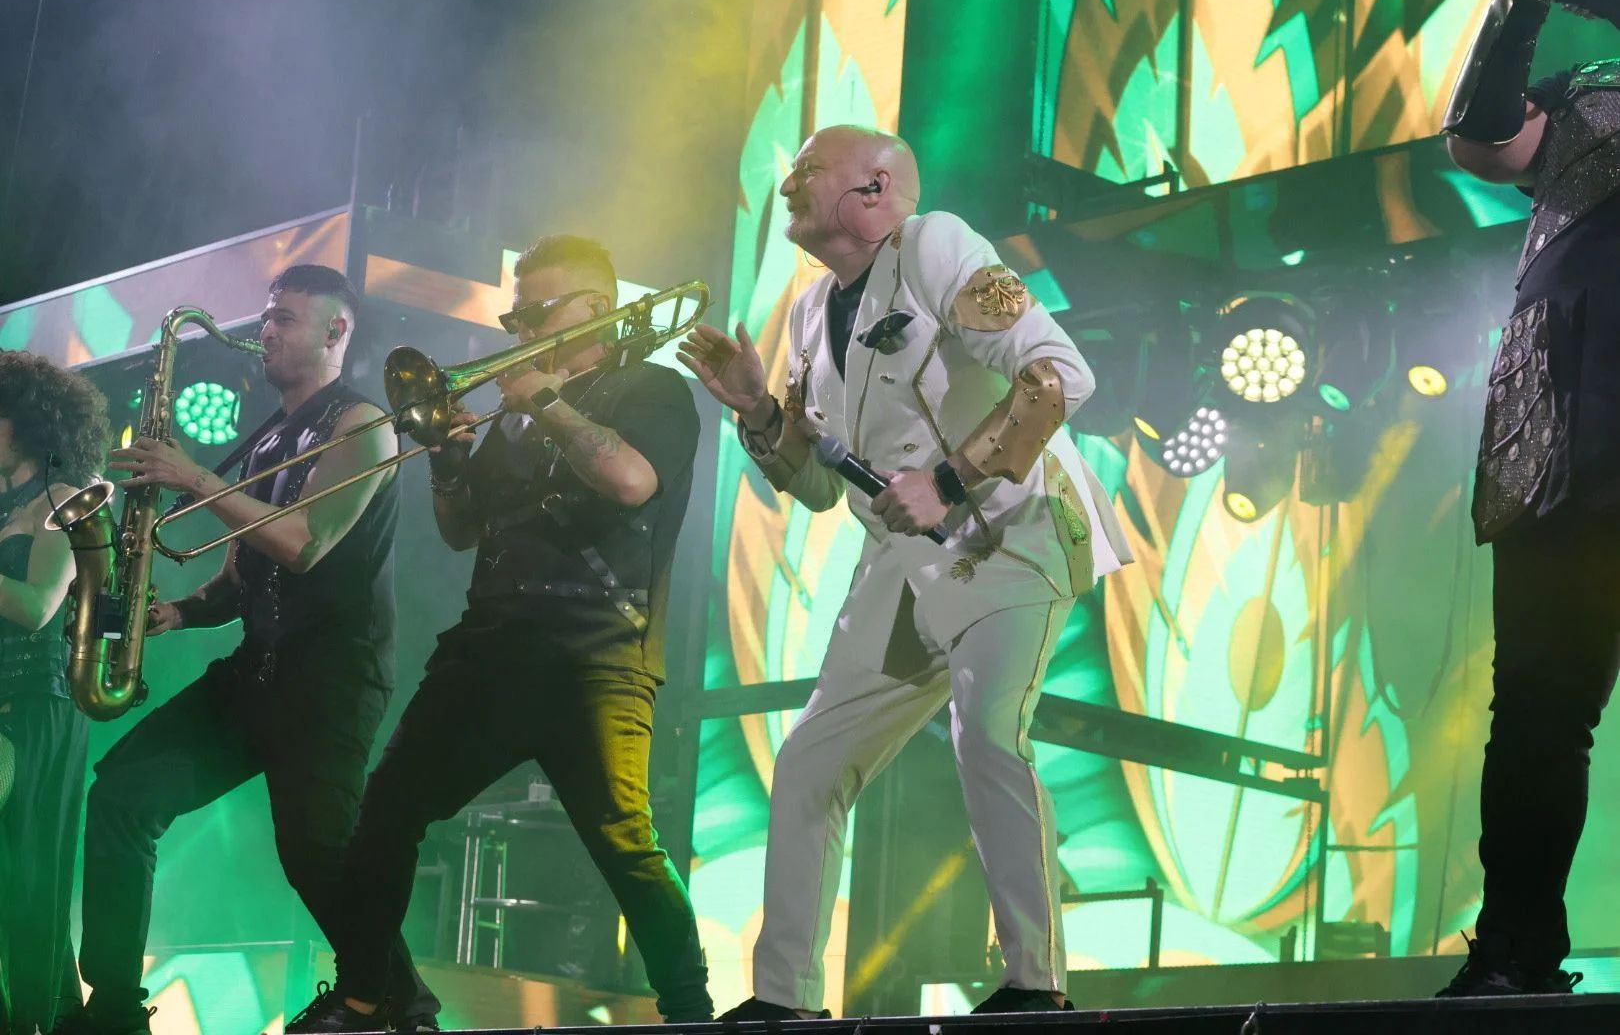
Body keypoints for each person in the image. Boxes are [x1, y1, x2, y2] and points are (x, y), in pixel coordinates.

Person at [678, 125, 1132, 1018]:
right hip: (901, 564)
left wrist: (949, 480)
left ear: (877, 188)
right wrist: (759, 411)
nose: (787, 183)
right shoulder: (810, 311)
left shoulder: (935, 245)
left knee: (988, 733)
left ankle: (1036, 985)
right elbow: (818, 488)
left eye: (808, 169)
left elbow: (1059, 375)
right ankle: (784, 1000)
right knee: (808, 763)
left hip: (1012, 533)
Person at [285, 236, 712, 1031]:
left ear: (597, 308)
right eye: (515, 319)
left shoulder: (652, 390)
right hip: (489, 648)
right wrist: (448, 463)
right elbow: (461, 532)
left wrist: (547, 403)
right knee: (386, 811)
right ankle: (370, 997)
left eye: (538, 314)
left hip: (598, 652)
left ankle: (690, 1010)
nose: (520, 332)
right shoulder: (517, 409)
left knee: (625, 842)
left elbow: (630, 481)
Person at [56, 265, 439, 1035]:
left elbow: (305, 543)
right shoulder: (267, 437)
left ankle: (402, 1003)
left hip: (330, 678)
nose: (265, 331)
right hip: (256, 672)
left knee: (316, 851)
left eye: (286, 319)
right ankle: (116, 1007)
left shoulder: (364, 425)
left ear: (336, 332)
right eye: (266, 316)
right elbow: (243, 575)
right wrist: (179, 612)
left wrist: (194, 477)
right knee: (125, 793)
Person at [1437, 0, 1620, 998]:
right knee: (1542, 707)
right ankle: (1514, 950)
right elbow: (1482, 141)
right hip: (1567, 429)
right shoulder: (1591, 86)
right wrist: (1522, 3)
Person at [0, 352, 111, 1035]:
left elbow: (39, 604)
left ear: (25, 420)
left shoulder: (66, 497)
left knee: (29, 879)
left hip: (36, 710)